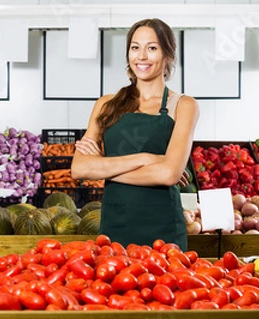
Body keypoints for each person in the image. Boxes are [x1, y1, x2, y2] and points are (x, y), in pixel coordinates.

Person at [71, 18, 200, 251]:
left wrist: (103, 167)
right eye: (135, 47)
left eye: (152, 48)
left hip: (163, 229)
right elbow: (79, 169)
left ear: (168, 54)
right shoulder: (106, 104)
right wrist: (148, 158)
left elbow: (169, 174)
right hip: (114, 226)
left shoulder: (183, 105)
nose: (141, 56)